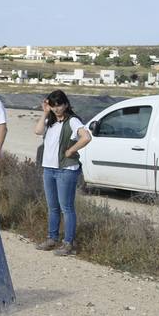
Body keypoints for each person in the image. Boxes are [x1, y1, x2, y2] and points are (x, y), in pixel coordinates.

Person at [33, 90, 92, 256]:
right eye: (54, 105)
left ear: (66, 104)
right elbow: (37, 131)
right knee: (53, 207)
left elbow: (86, 137)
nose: (57, 108)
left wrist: (71, 150)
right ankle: (52, 239)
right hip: (49, 168)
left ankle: (68, 243)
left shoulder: (72, 121)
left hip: (66, 169)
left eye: (60, 104)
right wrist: (45, 112)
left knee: (66, 207)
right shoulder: (50, 122)